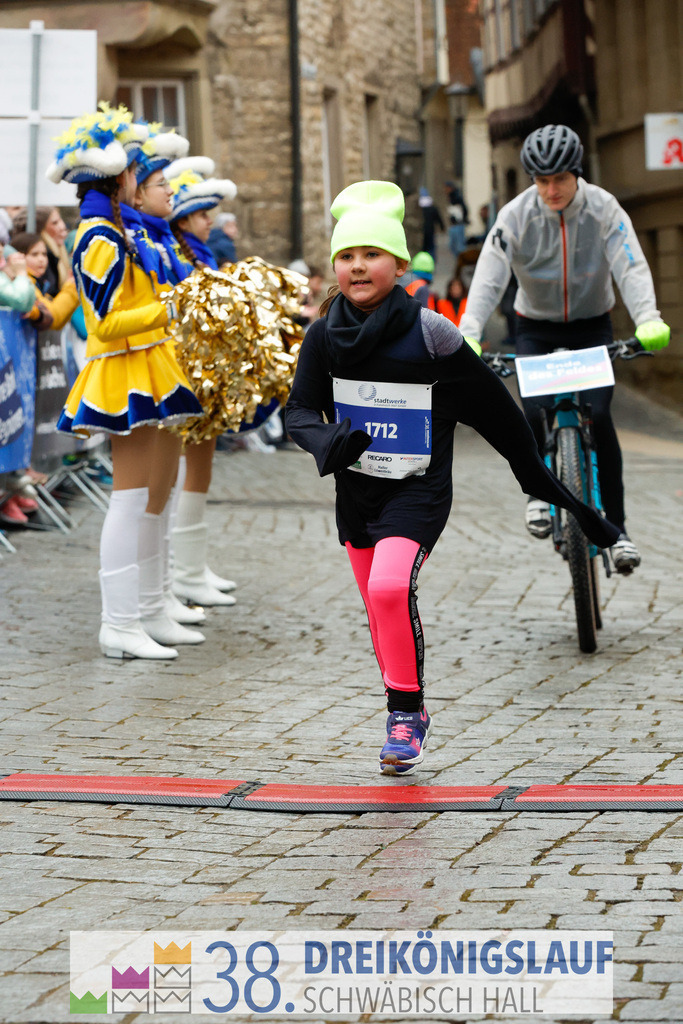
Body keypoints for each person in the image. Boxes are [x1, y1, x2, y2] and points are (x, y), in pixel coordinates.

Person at [285, 179, 620, 776]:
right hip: (358, 492)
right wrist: (329, 441)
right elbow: (299, 413)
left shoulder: (431, 335)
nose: (358, 266)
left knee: (390, 589)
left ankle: (407, 714)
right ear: (335, 266)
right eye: (347, 256)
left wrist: (537, 476)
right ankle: (401, 702)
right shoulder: (322, 336)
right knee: (376, 603)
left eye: (372, 254)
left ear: (398, 263)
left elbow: (493, 411)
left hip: (418, 489)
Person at [458, 124, 671, 572]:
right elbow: (491, 274)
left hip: (592, 325)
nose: (551, 190)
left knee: (602, 413)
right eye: (542, 180)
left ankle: (620, 530)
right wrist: (470, 329)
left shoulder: (604, 209)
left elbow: (630, 264)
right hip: (534, 326)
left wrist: (648, 317)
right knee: (532, 410)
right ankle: (538, 493)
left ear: (577, 174)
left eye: (560, 179)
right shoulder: (515, 216)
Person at [48, 103, 205, 660]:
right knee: (132, 497)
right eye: (139, 172)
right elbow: (106, 321)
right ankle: (119, 621)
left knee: (154, 494)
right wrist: (169, 306)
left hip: (149, 365)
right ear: (117, 180)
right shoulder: (97, 236)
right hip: (123, 370)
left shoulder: (117, 231)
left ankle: (150, 607)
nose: (144, 179)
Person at [164, 156, 240, 607]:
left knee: (201, 470)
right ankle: (181, 573)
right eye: (202, 212)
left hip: (204, 372)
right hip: (184, 372)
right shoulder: (175, 255)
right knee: (180, 473)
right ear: (183, 217)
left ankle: (192, 568)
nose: (210, 219)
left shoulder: (199, 251)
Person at [10, 232, 78, 330]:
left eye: (44, 254)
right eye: (34, 254)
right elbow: (53, 316)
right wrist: (71, 287)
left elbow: (57, 323)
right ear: (19, 257)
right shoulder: (24, 283)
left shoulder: (40, 283)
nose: (41, 259)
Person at [417, 187, 444, 261]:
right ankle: (431, 262)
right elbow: (438, 218)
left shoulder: (418, 208)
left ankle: (422, 262)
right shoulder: (432, 207)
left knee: (423, 248)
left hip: (421, 231)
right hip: (430, 230)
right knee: (431, 247)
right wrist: (442, 227)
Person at [444, 181, 468, 261]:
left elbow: (463, 209)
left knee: (459, 246)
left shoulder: (456, 197)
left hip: (458, 224)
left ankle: (463, 261)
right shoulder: (452, 197)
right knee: (453, 246)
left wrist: (462, 219)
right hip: (454, 224)